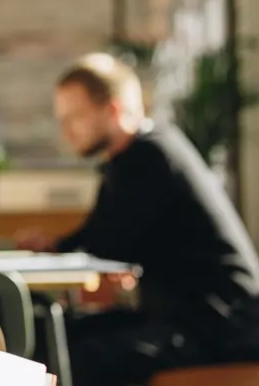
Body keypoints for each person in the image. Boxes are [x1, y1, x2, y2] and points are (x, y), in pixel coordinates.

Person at [15, 53, 259, 385]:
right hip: (185, 319)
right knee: (55, 336)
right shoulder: (137, 154)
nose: (66, 131)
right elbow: (100, 236)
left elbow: (108, 244)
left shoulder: (148, 157)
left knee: (76, 356)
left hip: (219, 329)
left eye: (75, 117)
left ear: (113, 110)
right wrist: (56, 245)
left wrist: (60, 249)